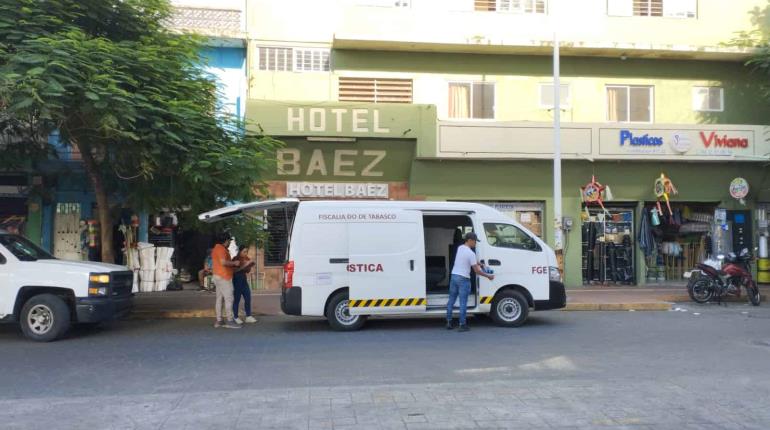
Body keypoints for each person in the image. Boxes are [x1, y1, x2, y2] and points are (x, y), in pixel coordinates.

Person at [446, 232, 494, 332]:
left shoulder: (460, 248)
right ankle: (462, 325)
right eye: (475, 241)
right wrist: (488, 276)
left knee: (451, 300)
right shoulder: (471, 253)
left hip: (454, 276)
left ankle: (449, 322)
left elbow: (469, 261)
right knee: (463, 302)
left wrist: (479, 263)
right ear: (470, 240)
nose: (475, 243)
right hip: (463, 279)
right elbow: (476, 271)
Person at [211, 233, 241, 329]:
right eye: (229, 241)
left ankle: (219, 320)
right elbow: (223, 262)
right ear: (226, 240)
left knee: (219, 299)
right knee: (229, 299)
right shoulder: (221, 249)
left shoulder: (216, 248)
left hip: (217, 275)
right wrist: (234, 263)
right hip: (224, 277)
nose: (229, 243)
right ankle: (230, 320)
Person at [232, 245, 257, 324]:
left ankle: (248, 316)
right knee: (237, 299)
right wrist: (246, 265)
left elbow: (247, 270)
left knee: (248, 297)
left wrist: (250, 265)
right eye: (244, 252)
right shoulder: (235, 259)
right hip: (237, 280)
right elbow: (235, 271)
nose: (246, 253)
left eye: (247, 252)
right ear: (240, 251)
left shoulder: (246, 258)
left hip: (244, 280)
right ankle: (235, 317)